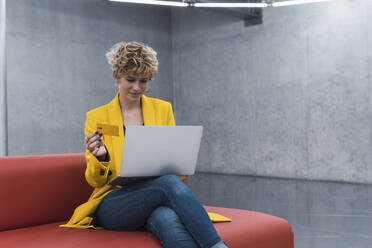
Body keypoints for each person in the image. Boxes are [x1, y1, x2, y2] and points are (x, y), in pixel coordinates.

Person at [60, 41, 229, 248]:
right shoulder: (96, 117)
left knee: (165, 217)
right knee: (167, 183)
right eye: (130, 80)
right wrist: (101, 158)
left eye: (144, 81)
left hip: (155, 196)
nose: (137, 87)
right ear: (116, 76)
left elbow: (177, 171)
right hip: (114, 204)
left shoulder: (163, 109)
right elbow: (94, 181)